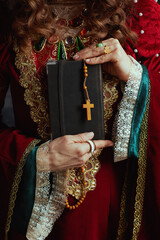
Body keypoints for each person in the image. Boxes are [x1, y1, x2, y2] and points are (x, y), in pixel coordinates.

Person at [0, 0, 160, 239]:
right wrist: (33, 157)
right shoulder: (7, 17)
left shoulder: (141, 14)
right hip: (34, 207)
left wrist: (136, 76)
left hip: (113, 213)